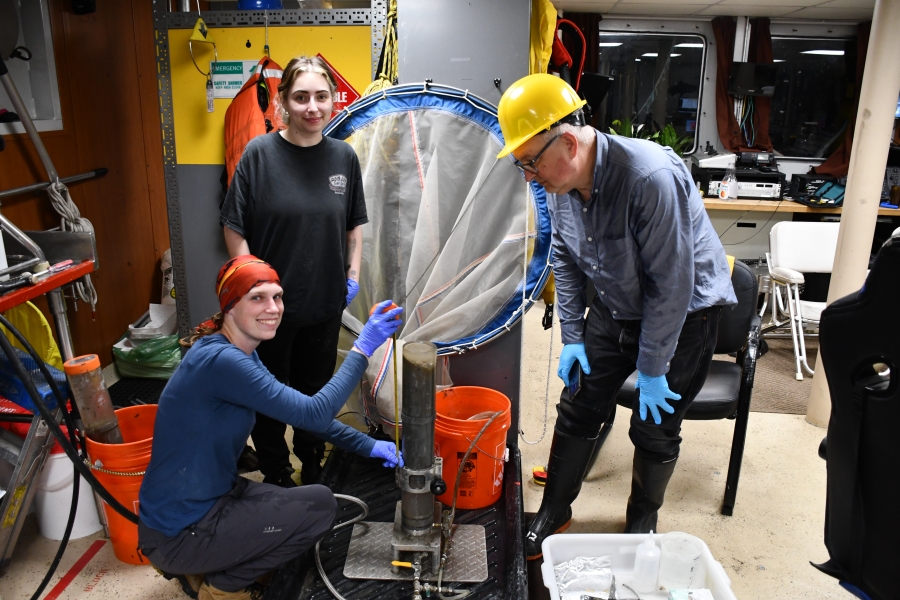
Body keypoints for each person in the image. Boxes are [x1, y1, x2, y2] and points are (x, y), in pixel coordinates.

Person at [496, 74, 737, 560]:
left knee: (655, 424)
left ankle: (643, 516)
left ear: (567, 141)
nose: (528, 176)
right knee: (579, 405)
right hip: (611, 306)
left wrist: (651, 368)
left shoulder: (648, 177)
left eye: (529, 163)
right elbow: (562, 256)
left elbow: (672, 283)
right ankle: (554, 511)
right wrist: (573, 335)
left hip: (683, 317)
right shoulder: (556, 181)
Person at [138, 255, 403, 600]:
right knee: (319, 510)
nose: (273, 307)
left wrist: (369, 446)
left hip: (213, 498)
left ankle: (201, 565)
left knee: (307, 503)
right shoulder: (223, 361)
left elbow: (303, 415)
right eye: (257, 297)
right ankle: (220, 589)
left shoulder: (240, 353)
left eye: (277, 297)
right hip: (180, 527)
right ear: (230, 306)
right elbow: (314, 414)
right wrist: (362, 348)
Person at [220, 56, 365, 487]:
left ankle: (313, 462)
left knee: (313, 394)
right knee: (267, 397)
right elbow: (233, 225)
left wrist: (352, 273)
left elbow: (353, 224)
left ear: (333, 101)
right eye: (300, 97)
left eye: (321, 97)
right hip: (268, 311)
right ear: (283, 101)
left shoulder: (344, 156)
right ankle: (278, 474)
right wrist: (252, 288)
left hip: (323, 303)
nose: (312, 107)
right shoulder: (258, 154)